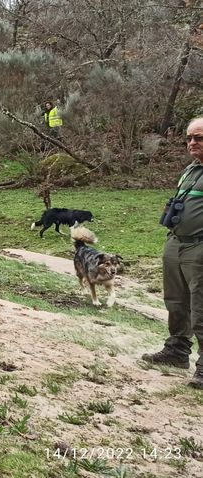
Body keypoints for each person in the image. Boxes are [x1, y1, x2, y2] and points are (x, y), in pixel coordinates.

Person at [142, 117, 203, 390]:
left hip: (199, 246)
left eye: (199, 138)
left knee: (201, 307)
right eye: (190, 138)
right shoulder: (191, 169)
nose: (192, 143)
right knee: (176, 303)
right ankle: (177, 351)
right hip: (176, 242)